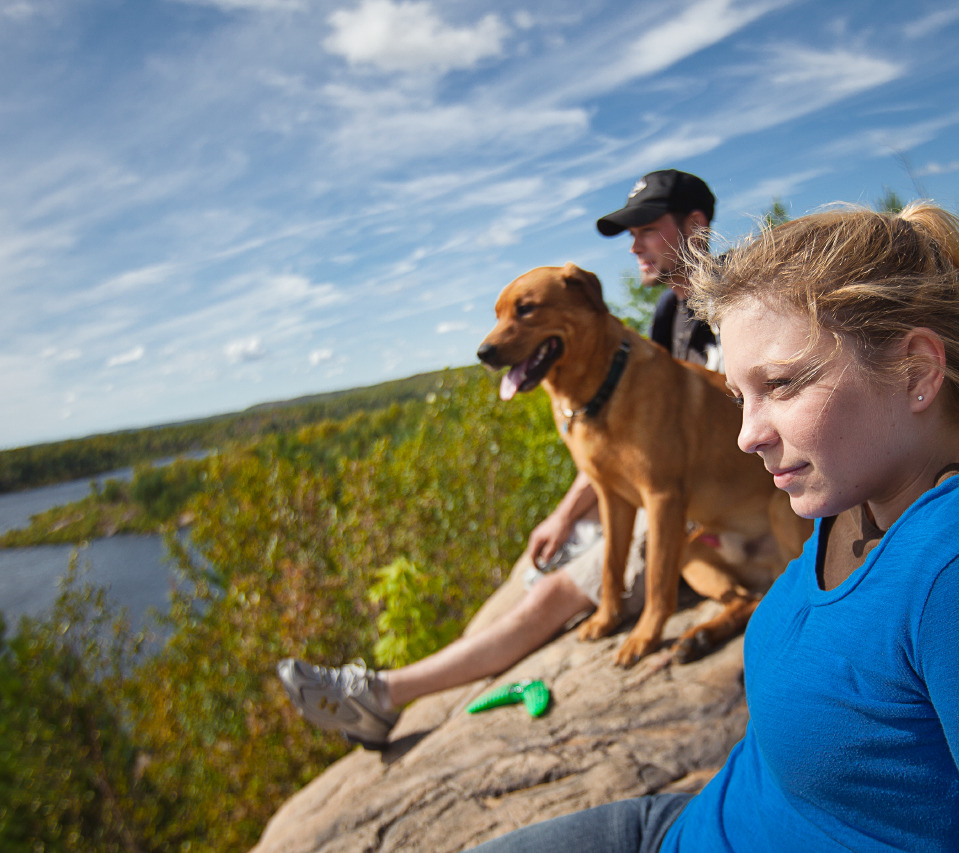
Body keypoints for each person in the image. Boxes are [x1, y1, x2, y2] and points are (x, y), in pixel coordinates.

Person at [464, 202, 959, 851]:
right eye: (740, 396)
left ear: (916, 371)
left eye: (783, 384)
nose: (746, 437)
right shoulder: (858, 490)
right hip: (689, 821)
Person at [278, 170, 722, 748]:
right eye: (629, 232)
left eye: (648, 229)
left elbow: (718, 442)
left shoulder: (737, 308)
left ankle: (383, 693)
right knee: (533, 566)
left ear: (696, 226)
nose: (633, 244)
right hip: (662, 488)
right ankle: (446, 682)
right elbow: (642, 445)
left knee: (557, 591)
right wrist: (566, 514)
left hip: (712, 507)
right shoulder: (668, 314)